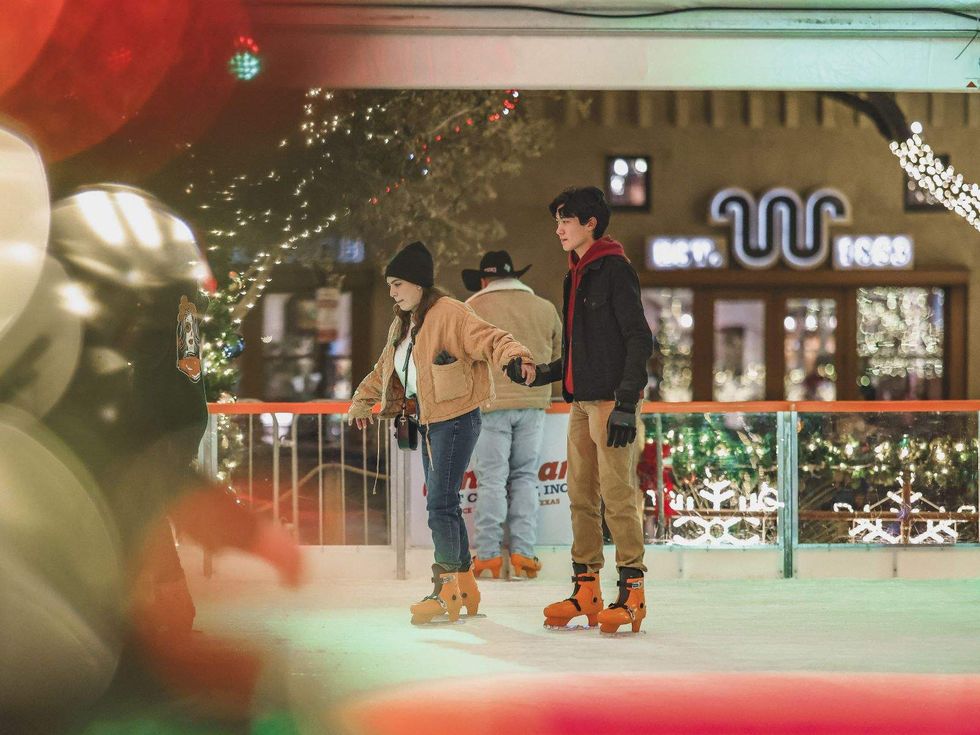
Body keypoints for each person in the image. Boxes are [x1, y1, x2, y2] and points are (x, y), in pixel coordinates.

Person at [348, 241, 537, 624]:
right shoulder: (404, 322)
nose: (392, 292)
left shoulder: (450, 313)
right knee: (443, 503)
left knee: (440, 504)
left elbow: (491, 338)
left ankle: (446, 586)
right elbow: (386, 368)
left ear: (418, 283)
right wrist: (361, 401)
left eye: (398, 284)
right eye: (389, 285)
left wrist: (516, 357)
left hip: (456, 419)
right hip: (428, 420)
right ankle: (464, 585)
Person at [511, 186, 653, 634]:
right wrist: (542, 373)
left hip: (610, 402)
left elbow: (638, 337)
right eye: (557, 221)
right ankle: (586, 588)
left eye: (566, 221)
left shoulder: (614, 269)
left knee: (618, 498)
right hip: (580, 402)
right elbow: (578, 349)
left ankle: (632, 593)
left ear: (591, 223)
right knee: (580, 498)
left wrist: (626, 403)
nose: (558, 229)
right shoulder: (574, 274)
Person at [462, 250, 562, 580]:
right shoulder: (545, 308)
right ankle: (523, 553)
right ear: (516, 276)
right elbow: (559, 356)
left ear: (484, 280)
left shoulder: (471, 308)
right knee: (525, 477)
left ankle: (488, 556)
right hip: (533, 403)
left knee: (492, 479)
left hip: (490, 405)